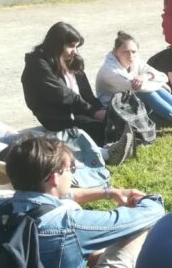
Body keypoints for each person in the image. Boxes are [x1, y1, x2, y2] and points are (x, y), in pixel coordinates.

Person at [0, 136, 163, 268]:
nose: (72, 175)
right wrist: (148, 200)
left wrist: (109, 193)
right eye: (71, 169)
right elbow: (143, 216)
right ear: (55, 177)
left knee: (75, 242)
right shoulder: (68, 223)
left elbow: (59, 196)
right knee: (135, 233)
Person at [21, 22, 131, 165]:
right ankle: (108, 153)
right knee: (95, 128)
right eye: (71, 46)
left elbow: (86, 93)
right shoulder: (38, 63)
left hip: (78, 109)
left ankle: (116, 144)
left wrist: (99, 110)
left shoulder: (72, 60)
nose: (75, 51)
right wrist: (93, 112)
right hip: (56, 115)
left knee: (114, 121)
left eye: (76, 47)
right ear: (57, 44)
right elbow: (61, 94)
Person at [95, 32, 172, 135]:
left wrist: (145, 76)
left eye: (133, 51)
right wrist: (160, 85)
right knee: (147, 92)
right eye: (125, 52)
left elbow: (162, 77)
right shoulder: (109, 71)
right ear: (114, 51)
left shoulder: (135, 61)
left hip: (136, 106)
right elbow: (140, 88)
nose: (130, 55)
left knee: (153, 90)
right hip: (116, 112)